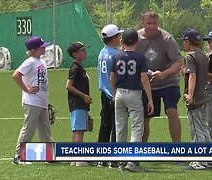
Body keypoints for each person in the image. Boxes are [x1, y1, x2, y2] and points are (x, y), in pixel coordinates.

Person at [110, 29, 154, 173]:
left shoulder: (116, 56)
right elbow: (144, 79)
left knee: (120, 128)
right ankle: (132, 160)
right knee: (137, 127)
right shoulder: (140, 57)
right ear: (137, 41)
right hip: (134, 94)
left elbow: (112, 78)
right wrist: (150, 99)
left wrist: (114, 93)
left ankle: (121, 161)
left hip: (119, 94)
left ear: (122, 41)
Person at [136, 11, 183, 143]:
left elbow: (179, 61)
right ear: (142, 23)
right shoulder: (137, 38)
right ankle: (141, 150)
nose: (152, 26)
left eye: (155, 23)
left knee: (171, 111)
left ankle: (177, 148)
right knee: (145, 116)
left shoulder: (166, 38)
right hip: (147, 84)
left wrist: (164, 74)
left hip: (168, 82)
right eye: (149, 23)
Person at [180, 28, 212, 170]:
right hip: (204, 96)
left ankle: (199, 161)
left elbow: (193, 76)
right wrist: (185, 73)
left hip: (196, 98)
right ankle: (210, 159)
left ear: (187, 41)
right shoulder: (202, 55)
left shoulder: (190, 56)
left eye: (184, 41)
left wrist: (190, 95)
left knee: (196, 130)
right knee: (205, 128)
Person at [12, 36, 51, 165]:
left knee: (45, 129)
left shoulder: (41, 62)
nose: (44, 48)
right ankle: (19, 157)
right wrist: (27, 89)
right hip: (32, 101)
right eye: (42, 47)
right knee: (29, 128)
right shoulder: (30, 61)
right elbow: (16, 75)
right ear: (33, 50)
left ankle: (49, 156)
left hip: (42, 101)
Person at [97, 24, 123, 167]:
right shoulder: (116, 54)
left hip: (104, 93)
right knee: (116, 126)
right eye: (118, 36)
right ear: (114, 38)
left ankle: (101, 157)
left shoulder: (102, 52)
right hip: (114, 93)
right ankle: (113, 158)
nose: (120, 38)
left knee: (105, 125)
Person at [66, 41, 93, 167]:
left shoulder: (80, 68)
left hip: (79, 104)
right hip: (77, 103)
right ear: (75, 54)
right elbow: (68, 86)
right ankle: (80, 158)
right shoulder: (75, 68)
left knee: (76, 130)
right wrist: (84, 96)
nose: (85, 52)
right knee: (79, 131)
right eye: (82, 50)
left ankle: (73, 158)